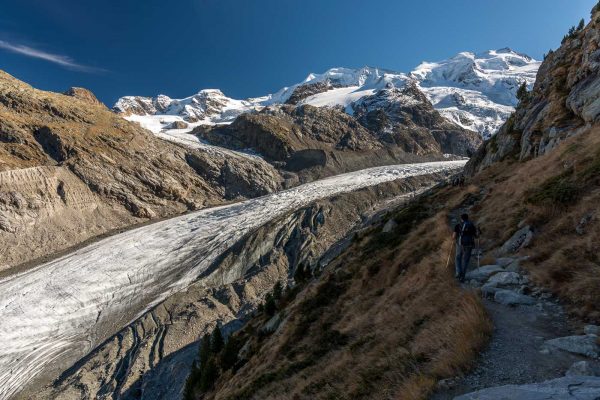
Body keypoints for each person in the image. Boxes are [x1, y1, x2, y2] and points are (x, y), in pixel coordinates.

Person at [453, 213, 478, 282]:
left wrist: (455, 239)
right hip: (469, 244)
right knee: (465, 260)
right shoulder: (471, 225)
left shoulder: (458, 225)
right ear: (467, 218)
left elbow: (454, 236)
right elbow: (476, 236)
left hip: (460, 244)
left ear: (461, 219)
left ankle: (458, 272)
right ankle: (462, 277)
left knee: (458, 258)